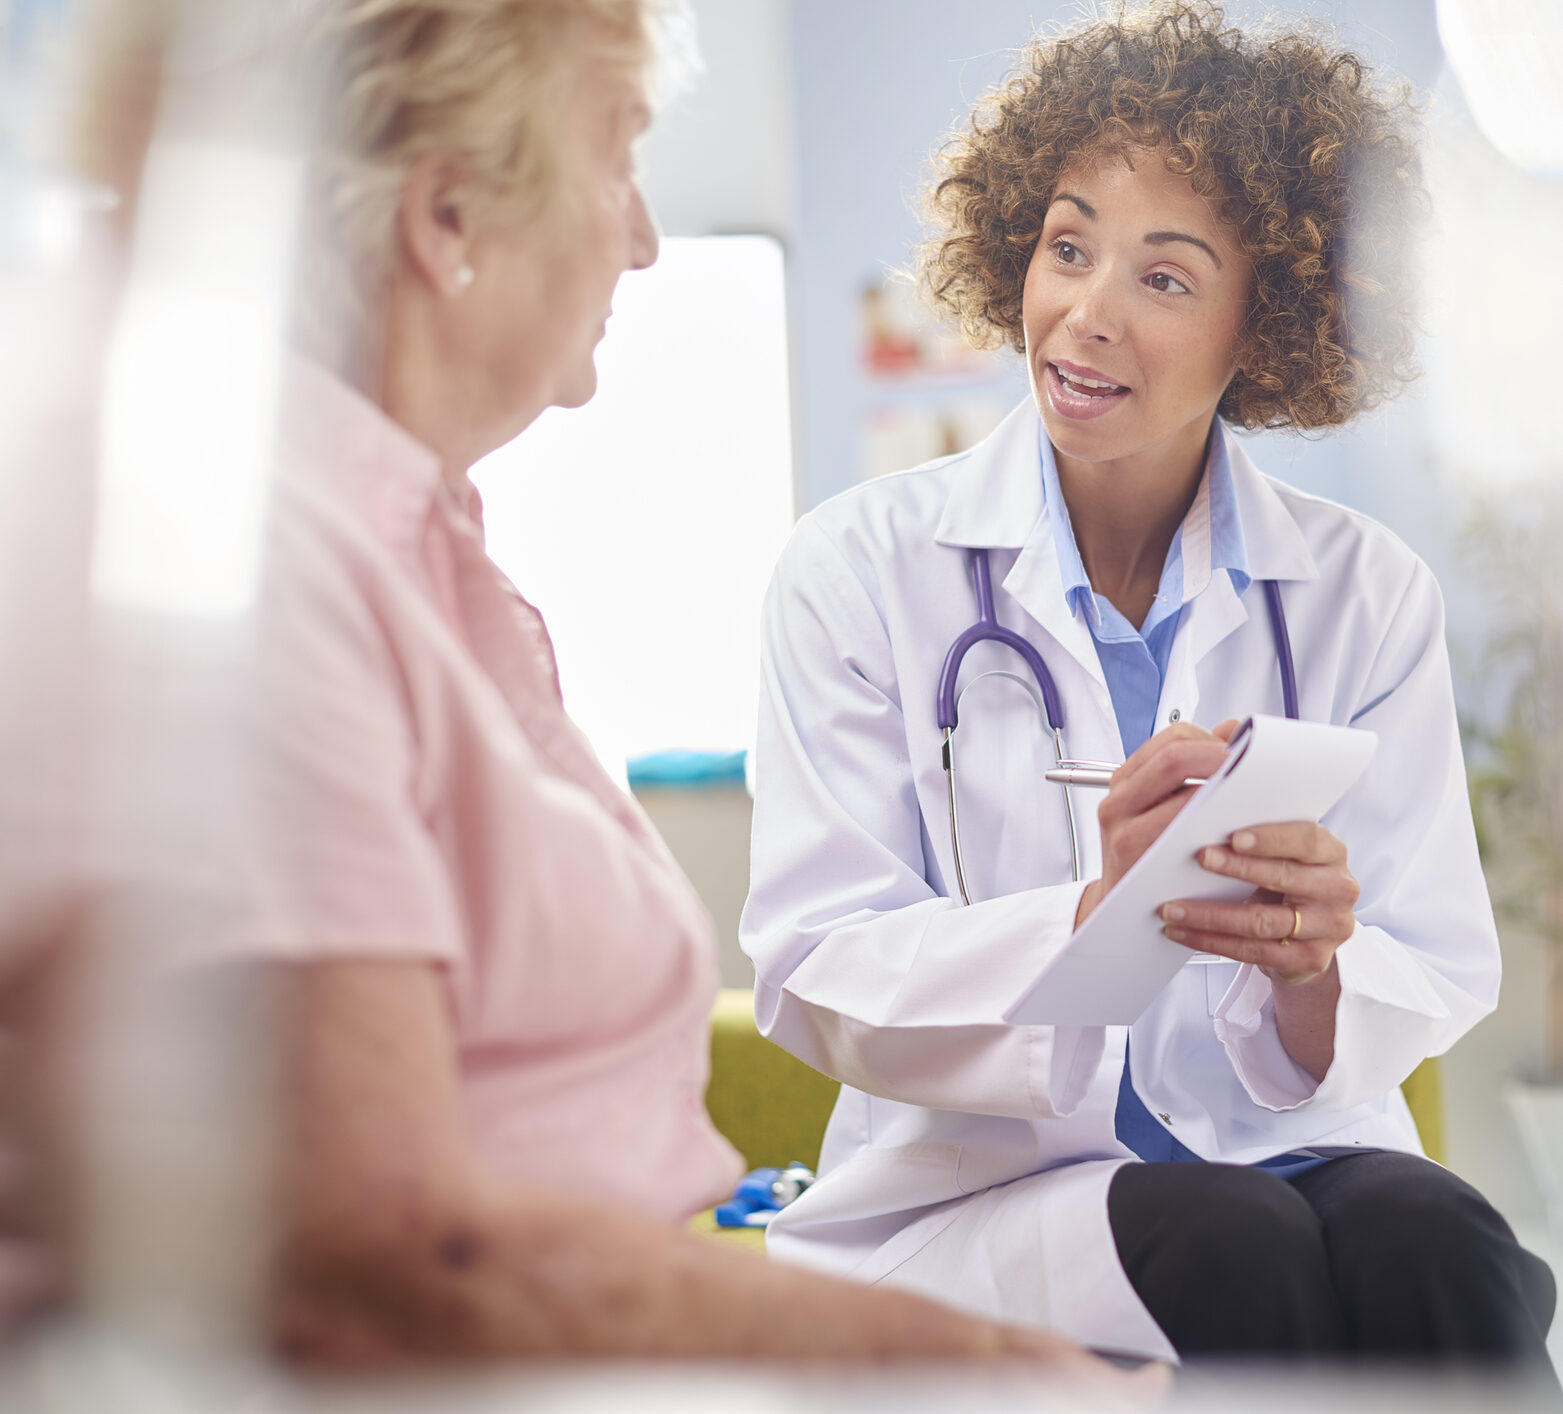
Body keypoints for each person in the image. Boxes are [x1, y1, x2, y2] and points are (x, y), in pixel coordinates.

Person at [0, 0, 1160, 1384]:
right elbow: (400, 1260)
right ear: (446, 219)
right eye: (618, 158)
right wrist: (998, 1369)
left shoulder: (417, 551)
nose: (645, 234)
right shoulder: (247, 561)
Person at [740, 0, 1557, 1371]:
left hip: (1289, 1137)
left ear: (1276, 323)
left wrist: (1312, 970)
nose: (1085, 312)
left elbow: (1429, 951)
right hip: (981, 1184)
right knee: (1234, 1246)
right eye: (1067, 247)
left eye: (1165, 278)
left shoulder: (1363, 591)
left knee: (1452, 1247)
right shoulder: (857, 570)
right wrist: (1083, 916)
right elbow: (818, 965)